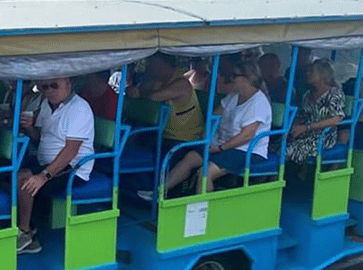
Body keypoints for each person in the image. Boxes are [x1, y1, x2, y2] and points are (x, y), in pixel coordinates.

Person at [164, 61, 271, 195]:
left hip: (246, 150)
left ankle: (201, 209)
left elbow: (246, 136)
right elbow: (215, 115)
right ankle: (159, 192)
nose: (230, 79)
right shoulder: (234, 96)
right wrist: (206, 133)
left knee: (206, 172)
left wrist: (220, 148)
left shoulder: (259, 103)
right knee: (191, 157)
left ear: (247, 78)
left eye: (235, 75)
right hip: (223, 143)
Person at [17, 75, 95, 254]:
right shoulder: (46, 104)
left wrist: (43, 176)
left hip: (74, 167)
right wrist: (29, 126)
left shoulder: (79, 108)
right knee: (7, 173)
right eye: (44, 87)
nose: (49, 91)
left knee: (24, 180)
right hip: (47, 161)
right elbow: (39, 137)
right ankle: (30, 225)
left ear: (68, 82)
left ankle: (25, 233)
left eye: (54, 86)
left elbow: (71, 151)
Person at [129, 53, 205, 152]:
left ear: (162, 64)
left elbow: (154, 96)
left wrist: (138, 92)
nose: (149, 67)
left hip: (183, 139)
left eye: (151, 63)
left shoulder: (181, 82)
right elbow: (140, 90)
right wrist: (133, 90)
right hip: (161, 133)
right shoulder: (156, 80)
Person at [285, 59, 345, 174]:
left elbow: (336, 119)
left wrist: (307, 127)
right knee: (278, 144)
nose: (308, 74)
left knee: (287, 150)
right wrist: (293, 128)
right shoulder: (307, 94)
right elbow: (302, 115)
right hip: (304, 132)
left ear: (323, 75)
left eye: (311, 72)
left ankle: (274, 182)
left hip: (324, 135)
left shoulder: (334, 93)